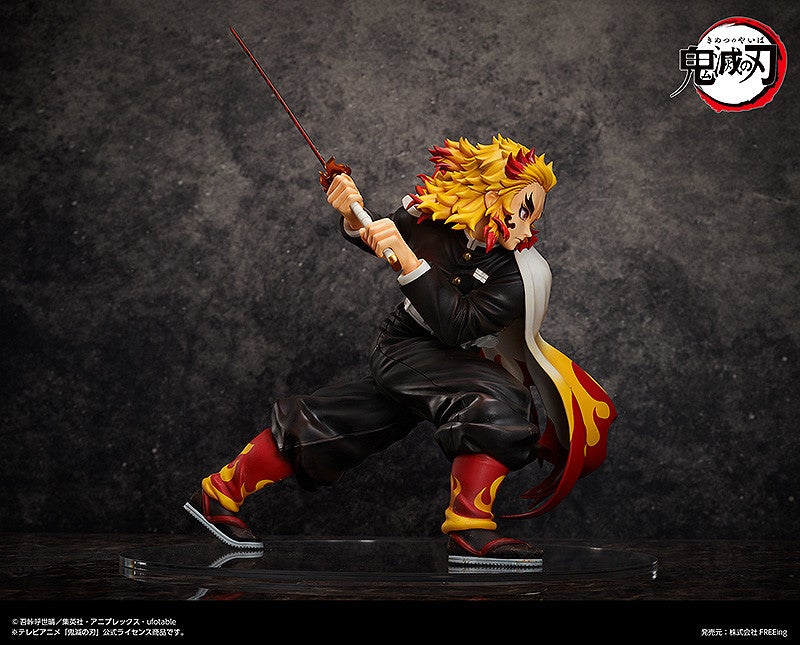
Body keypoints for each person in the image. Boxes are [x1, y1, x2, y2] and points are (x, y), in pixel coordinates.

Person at [184, 134, 616, 567]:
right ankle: (469, 526)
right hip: (403, 345)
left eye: (534, 218)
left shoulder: (521, 274)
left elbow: (458, 327)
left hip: (450, 354)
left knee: (343, 420)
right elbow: (375, 234)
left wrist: (409, 261)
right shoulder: (430, 216)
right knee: (498, 399)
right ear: (490, 196)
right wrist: (352, 214)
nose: (526, 230)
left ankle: (220, 493)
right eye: (523, 211)